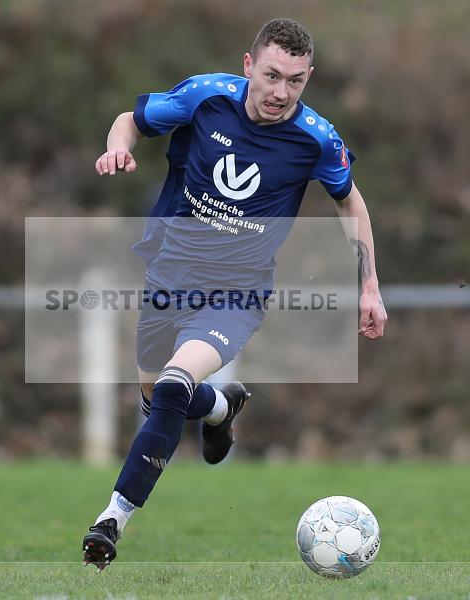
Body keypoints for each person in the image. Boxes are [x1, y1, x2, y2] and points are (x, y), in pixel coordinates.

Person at [82, 18, 387, 570]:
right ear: (248, 65)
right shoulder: (204, 98)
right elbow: (129, 121)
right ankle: (221, 408)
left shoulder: (316, 138)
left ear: (308, 77)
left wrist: (369, 284)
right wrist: (116, 150)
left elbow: (350, 202)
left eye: (295, 81)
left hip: (237, 291)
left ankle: (111, 520)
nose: (280, 92)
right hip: (168, 275)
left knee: (174, 384)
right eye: (271, 76)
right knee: (155, 396)